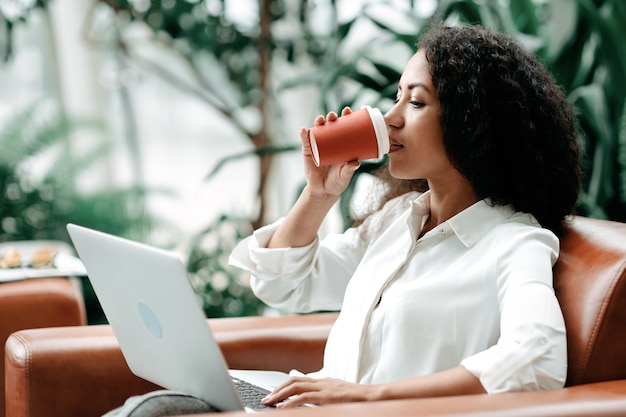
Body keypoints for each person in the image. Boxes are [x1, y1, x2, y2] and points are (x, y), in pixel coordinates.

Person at [103, 23, 581, 416]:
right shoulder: (397, 223)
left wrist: (361, 395)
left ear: (472, 123)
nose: (391, 118)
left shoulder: (514, 243)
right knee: (157, 408)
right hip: (322, 410)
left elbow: (535, 359)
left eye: (415, 102)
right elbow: (285, 284)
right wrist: (318, 194)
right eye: (396, 97)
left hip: (361, 410)